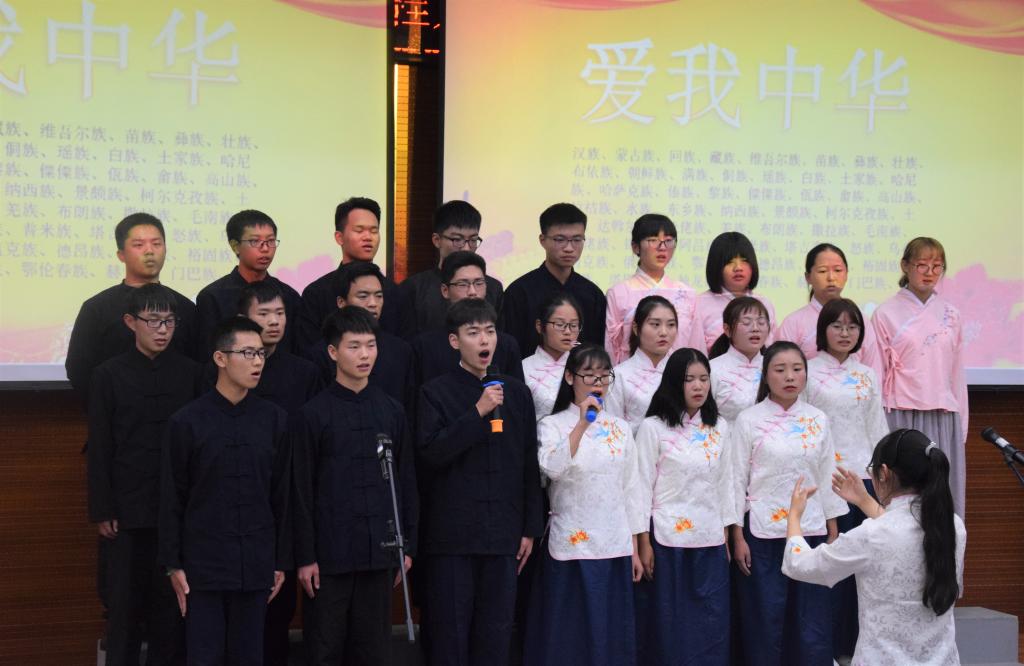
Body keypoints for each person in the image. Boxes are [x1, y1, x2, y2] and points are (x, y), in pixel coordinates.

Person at [415, 298, 544, 665]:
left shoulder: (516, 393)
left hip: (503, 533)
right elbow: (431, 454)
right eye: (473, 333)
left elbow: (527, 462)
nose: (484, 340)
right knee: (450, 632)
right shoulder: (434, 392)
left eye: (489, 331)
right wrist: (477, 412)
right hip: (453, 537)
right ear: (455, 341)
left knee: (496, 631)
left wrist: (529, 528)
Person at [159, 317, 291, 666]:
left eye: (261, 354)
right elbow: (172, 497)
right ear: (220, 358)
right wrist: (173, 564)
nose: (257, 362)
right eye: (247, 353)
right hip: (203, 566)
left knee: (250, 655)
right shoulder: (186, 422)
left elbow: (282, 495)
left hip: (256, 561)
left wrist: (280, 560)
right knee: (205, 655)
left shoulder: (275, 419)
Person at [293, 306, 418, 666]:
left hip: (379, 551)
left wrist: (407, 545)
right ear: (333, 352)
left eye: (371, 345)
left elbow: (405, 481)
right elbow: (301, 491)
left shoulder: (391, 410)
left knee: (374, 650)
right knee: (324, 649)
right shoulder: (312, 414)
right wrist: (305, 557)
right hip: (328, 557)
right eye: (354, 346)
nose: (365, 355)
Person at [782, 429, 966, 666]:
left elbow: (800, 564)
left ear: (883, 473)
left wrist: (794, 516)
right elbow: (900, 529)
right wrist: (864, 500)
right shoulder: (953, 526)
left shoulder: (872, 535)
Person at [87, 284, 200, 666]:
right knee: (123, 611)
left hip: (176, 511)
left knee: (170, 611)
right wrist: (103, 508)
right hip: (126, 512)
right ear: (130, 322)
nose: (162, 330)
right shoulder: (108, 375)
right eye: (153, 321)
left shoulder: (191, 373)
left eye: (169, 321)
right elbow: (100, 445)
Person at [524, 344, 645, 666]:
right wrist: (581, 424)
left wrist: (634, 545)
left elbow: (631, 488)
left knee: (610, 629)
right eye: (589, 375)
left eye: (604, 376)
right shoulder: (552, 425)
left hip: (615, 542)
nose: (597, 382)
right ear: (569, 377)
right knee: (569, 631)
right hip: (572, 543)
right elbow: (552, 470)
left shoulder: (620, 428)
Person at [729, 341, 848, 666]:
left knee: (811, 618)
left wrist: (833, 527)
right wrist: (737, 535)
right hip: (763, 531)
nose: (790, 377)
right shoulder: (748, 420)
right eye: (780, 370)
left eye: (797, 369)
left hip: (810, 531)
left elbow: (827, 473)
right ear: (765, 375)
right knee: (765, 616)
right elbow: (736, 479)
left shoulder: (817, 419)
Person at [234, 281, 321, 666]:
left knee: (278, 615)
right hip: (239, 500)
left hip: (288, 499)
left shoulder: (304, 372)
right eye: (264, 313)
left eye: (280, 314)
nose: (274, 321)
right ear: (243, 319)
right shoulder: (224, 371)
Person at [634, 348, 735, 666]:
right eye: (689, 379)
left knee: (710, 617)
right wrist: (643, 542)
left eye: (704, 379)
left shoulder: (720, 427)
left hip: (710, 536)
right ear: (674, 382)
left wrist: (727, 533)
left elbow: (726, 482)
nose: (698, 386)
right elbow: (640, 486)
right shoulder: (652, 427)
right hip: (666, 538)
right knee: (670, 619)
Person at [803, 297, 890, 662]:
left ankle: (855, 651)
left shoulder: (867, 374)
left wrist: (884, 479)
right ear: (822, 329)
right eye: (836, 326)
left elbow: (877, 428)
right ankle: (826, 648)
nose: (844, 333)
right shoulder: (806, 371)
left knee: (864, 569)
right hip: (825, 482)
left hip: (864, 482)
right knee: (831, 565)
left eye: (852, 326)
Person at [871, 237, 968, 518]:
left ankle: (943, 547)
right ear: (905, 266)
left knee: (940, 495)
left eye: (937, 266)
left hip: (942, 413)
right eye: (922, 265)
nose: (929, 272)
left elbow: (956, 372)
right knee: (902, 496)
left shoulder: (951, 314)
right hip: (901, 412)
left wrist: (960, 423)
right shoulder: (885, 313)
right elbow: (878, 371)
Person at [67, 212, 198, 404]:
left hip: (176, 414)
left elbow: (198, 365)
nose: (149, 251)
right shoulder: (97, 308)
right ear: (121, 255)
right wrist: (103, 407)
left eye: (156, 244)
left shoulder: (185, 307)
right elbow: (78, 368)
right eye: (138, 245)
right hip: (117, 414)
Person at [297, 197, 411, 347]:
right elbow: (309, 350)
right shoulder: (316, 294)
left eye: (374, 231)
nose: (368, 237)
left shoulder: (396, 293)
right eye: (359, 230)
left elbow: (404, 348)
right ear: (339, 237)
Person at [302, 262, 414, 407]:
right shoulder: (320, 355)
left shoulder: (401, 351)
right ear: (341, 302)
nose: (373, 303)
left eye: (379, 296)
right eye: (363, 296)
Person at [499, 203, 606, 354]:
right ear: (542, 240)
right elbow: (510, 349)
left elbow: (597, 350)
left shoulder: (593, 294)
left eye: (577, 240)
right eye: (560, 240)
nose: (569, 248)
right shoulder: (519, 292)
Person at [196, 209, 302, 356]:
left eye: (271, 241)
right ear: (235, 246)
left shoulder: (289, 295)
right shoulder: (213, 297)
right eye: (255, 241)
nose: (265, 249)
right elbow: (207, 353)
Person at [411, 252, 524, 385]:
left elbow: (516, 393)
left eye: (478, 283)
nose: (472, 292)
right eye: (463, 284)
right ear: (445, 290)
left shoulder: (507, 345)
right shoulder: (424, 346)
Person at [605, 213, 702, 365]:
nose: (662, 247)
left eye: (668, 241)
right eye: (653, 240)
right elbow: (610, 348)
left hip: (677, 376)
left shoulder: (687, 293)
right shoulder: (618, 292)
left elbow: (697, 346)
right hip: (630, 375)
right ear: (635, 247)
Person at [777, 244, 881, 379]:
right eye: (822, 271)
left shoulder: (861, 319)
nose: (831, 277)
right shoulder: (793, 322)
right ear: (808, 277)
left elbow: (873, 371)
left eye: (838, 270)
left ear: (846, 274)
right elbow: (779, 372)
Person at [399, 200, 504, 333]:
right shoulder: (414, 288)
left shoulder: (493, 288)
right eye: (457, 240)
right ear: (437, 240)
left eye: (473, 240)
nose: (466, 248)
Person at [604, 296, 677, 434]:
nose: (664, 332)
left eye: (671, 325)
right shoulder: (619, 375)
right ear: (636, 328)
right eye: (655, 324)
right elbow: (612, 429)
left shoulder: (684, 372)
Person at [695, 231, 776, 353]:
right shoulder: (699, 304)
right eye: (729, 262)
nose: (738, 268)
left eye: (744, 261)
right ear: (716, 266)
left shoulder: (764, 303)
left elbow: (772, 349)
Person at [521, 292, 583, 420]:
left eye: (573, 325)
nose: (568, 332)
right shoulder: (524, 368)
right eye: (559, 325)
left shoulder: (584, 366)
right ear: (540, 326)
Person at [708, 297, 770, 422]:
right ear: (727, 330)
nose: (755, 328)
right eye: (746, 323)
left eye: (761, 323)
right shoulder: (712, 369)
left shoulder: (775, 368)